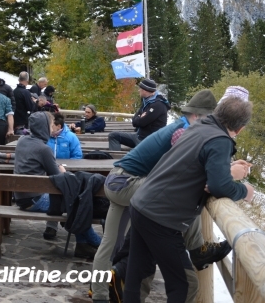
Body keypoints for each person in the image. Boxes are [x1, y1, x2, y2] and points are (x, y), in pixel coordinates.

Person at [90, 90, 219, 303]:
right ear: (197, 115)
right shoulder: (184, 132)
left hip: (116, 180)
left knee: (108, 244)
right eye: (209, 119)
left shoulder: (181, 127)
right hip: (127, 182)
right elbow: (187, 174)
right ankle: (197, 250)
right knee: (185, 194)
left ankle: (100, 296)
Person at [124, 96, 255, 303]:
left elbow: (198, 166)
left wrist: (225, 171)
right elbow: (219, 186)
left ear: (217, 112)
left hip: (141, 204)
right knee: (185, 285)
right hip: (161, 218)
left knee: (137, 276)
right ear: (240, 129)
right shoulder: (220, 140)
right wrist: (245, 190)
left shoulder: (200, 126)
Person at [14, 111, 100, 259]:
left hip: (21, 197)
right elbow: (59, 178)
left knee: (74, 202)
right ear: (44, 127)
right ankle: (95, 242)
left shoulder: (22, 140)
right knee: (77, 203)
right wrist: (62, 170)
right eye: (51, 124)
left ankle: (83, 245)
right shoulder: (43, 149)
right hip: (35, 199)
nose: (52, 127)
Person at [108, 78, 169, 151]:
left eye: (140, 89)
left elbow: (141, 123)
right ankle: (114, 158)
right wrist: (139, 117)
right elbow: (135, 120)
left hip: (148, 141)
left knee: (130, 156)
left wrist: (139, 118)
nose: (138, 90)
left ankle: (124, 159)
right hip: (139, 136)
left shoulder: (158, 105)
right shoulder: (146, 101)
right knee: (113, 136)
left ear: (145, 90)